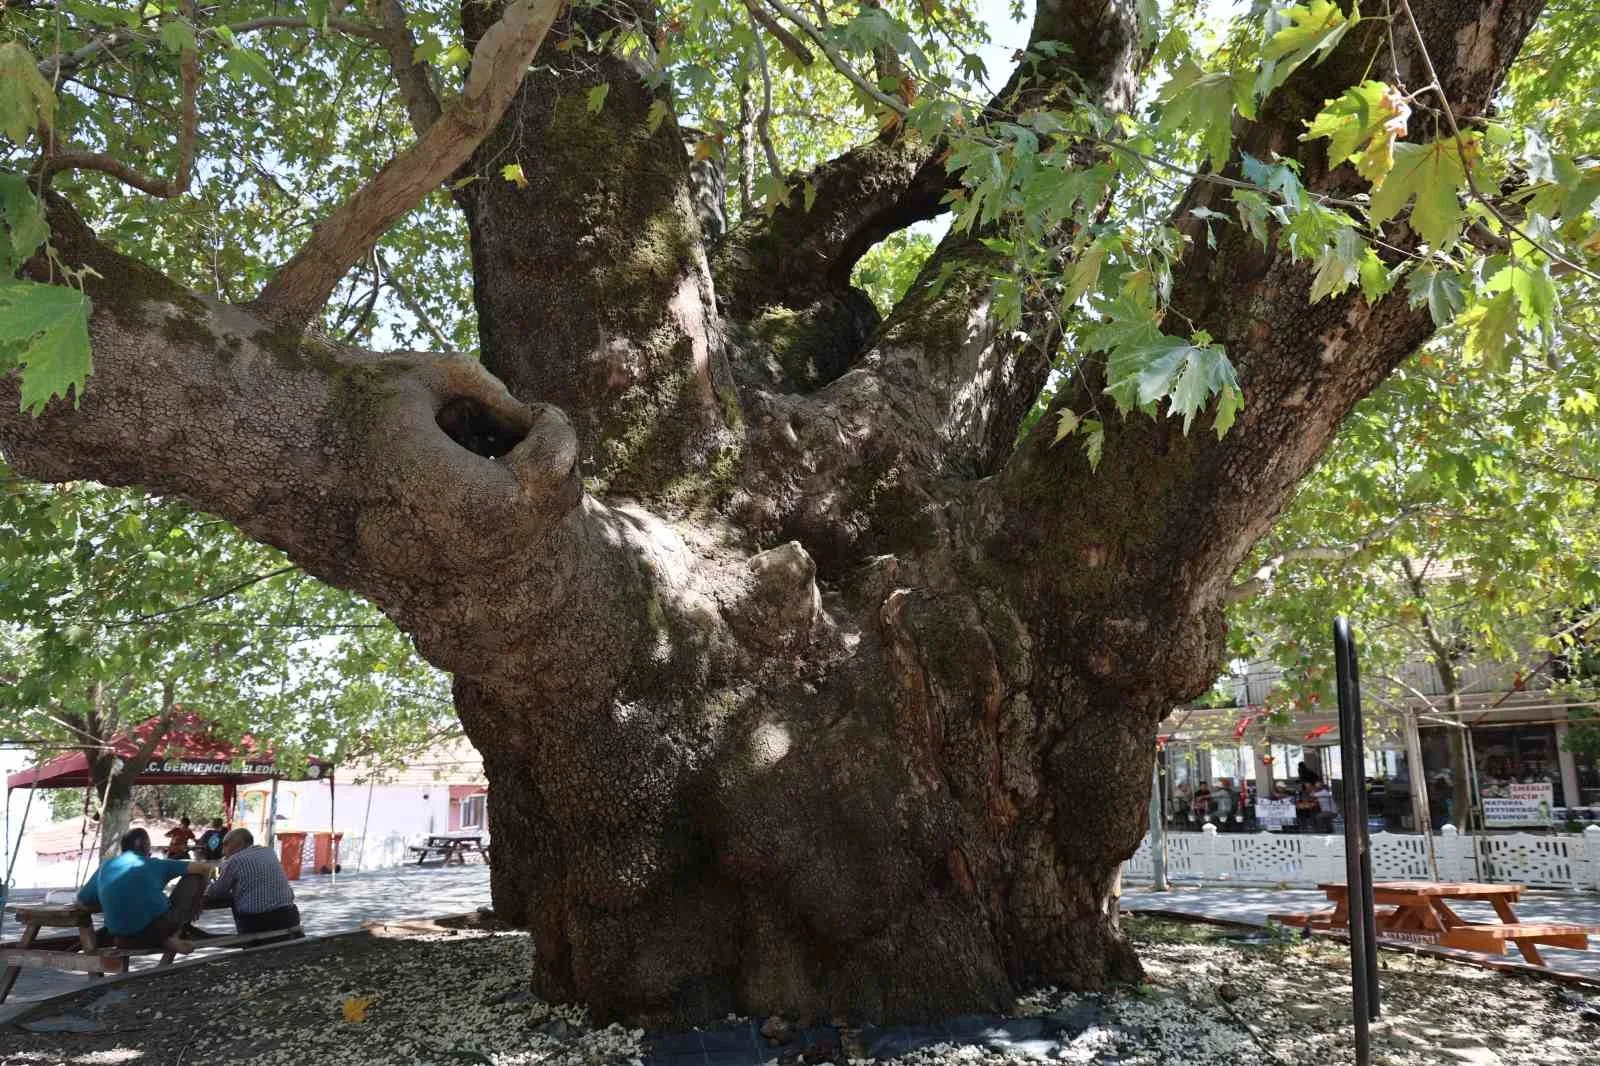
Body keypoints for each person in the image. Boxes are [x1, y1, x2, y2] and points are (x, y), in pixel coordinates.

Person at [76, 828, 217, 954]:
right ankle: (171, 936)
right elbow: (205, 868)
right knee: (194, 876)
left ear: (123, 848)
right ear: (146, 847)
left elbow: (81, 901)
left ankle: (165, 938)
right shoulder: (155, 864)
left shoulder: (106, 866)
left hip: (120, 939)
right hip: (158, 930)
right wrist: (198, 901)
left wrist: (114, 901)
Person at [204, 828, 300, 936]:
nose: (223, 851)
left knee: (238, 901)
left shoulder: (235, 860)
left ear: (240, 844)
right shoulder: (269, 852)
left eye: (226, 844)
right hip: (290, 917)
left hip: (258, 923)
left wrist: (207, 880)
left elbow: (216, 892)